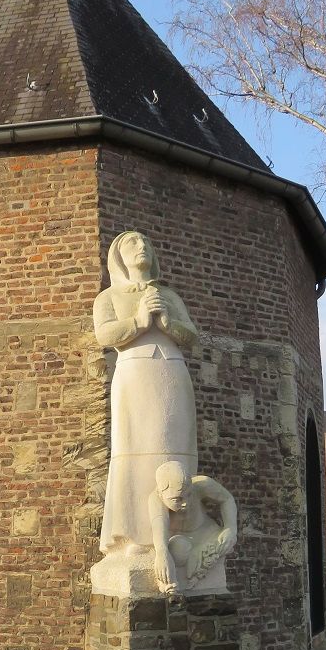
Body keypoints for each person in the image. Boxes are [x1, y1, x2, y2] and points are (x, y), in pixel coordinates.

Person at [93, 231, 199, 557]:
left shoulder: (168, 295)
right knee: (135, 449)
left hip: (172, 374)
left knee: (175, 448)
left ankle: (180, 530)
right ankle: (135, 534)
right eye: (131, 244)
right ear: (119, 257)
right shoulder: (109, 297)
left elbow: (191, 335)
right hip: (135, 375)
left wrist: (168, 324)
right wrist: (138, 321)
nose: (141, 248)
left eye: (145, 244)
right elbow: (104, 334)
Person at [148, 460, 237, 595]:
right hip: (181, 539)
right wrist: (162, 553)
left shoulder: (201, 484)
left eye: (189, 494)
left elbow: (227, 499)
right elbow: (159, 527)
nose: (186, 503)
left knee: (225, 541)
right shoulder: (155, 501)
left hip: (207, 533)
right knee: (177, 551)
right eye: (177, 499)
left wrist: (231, 527)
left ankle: (199, 564)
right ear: (161, 495)